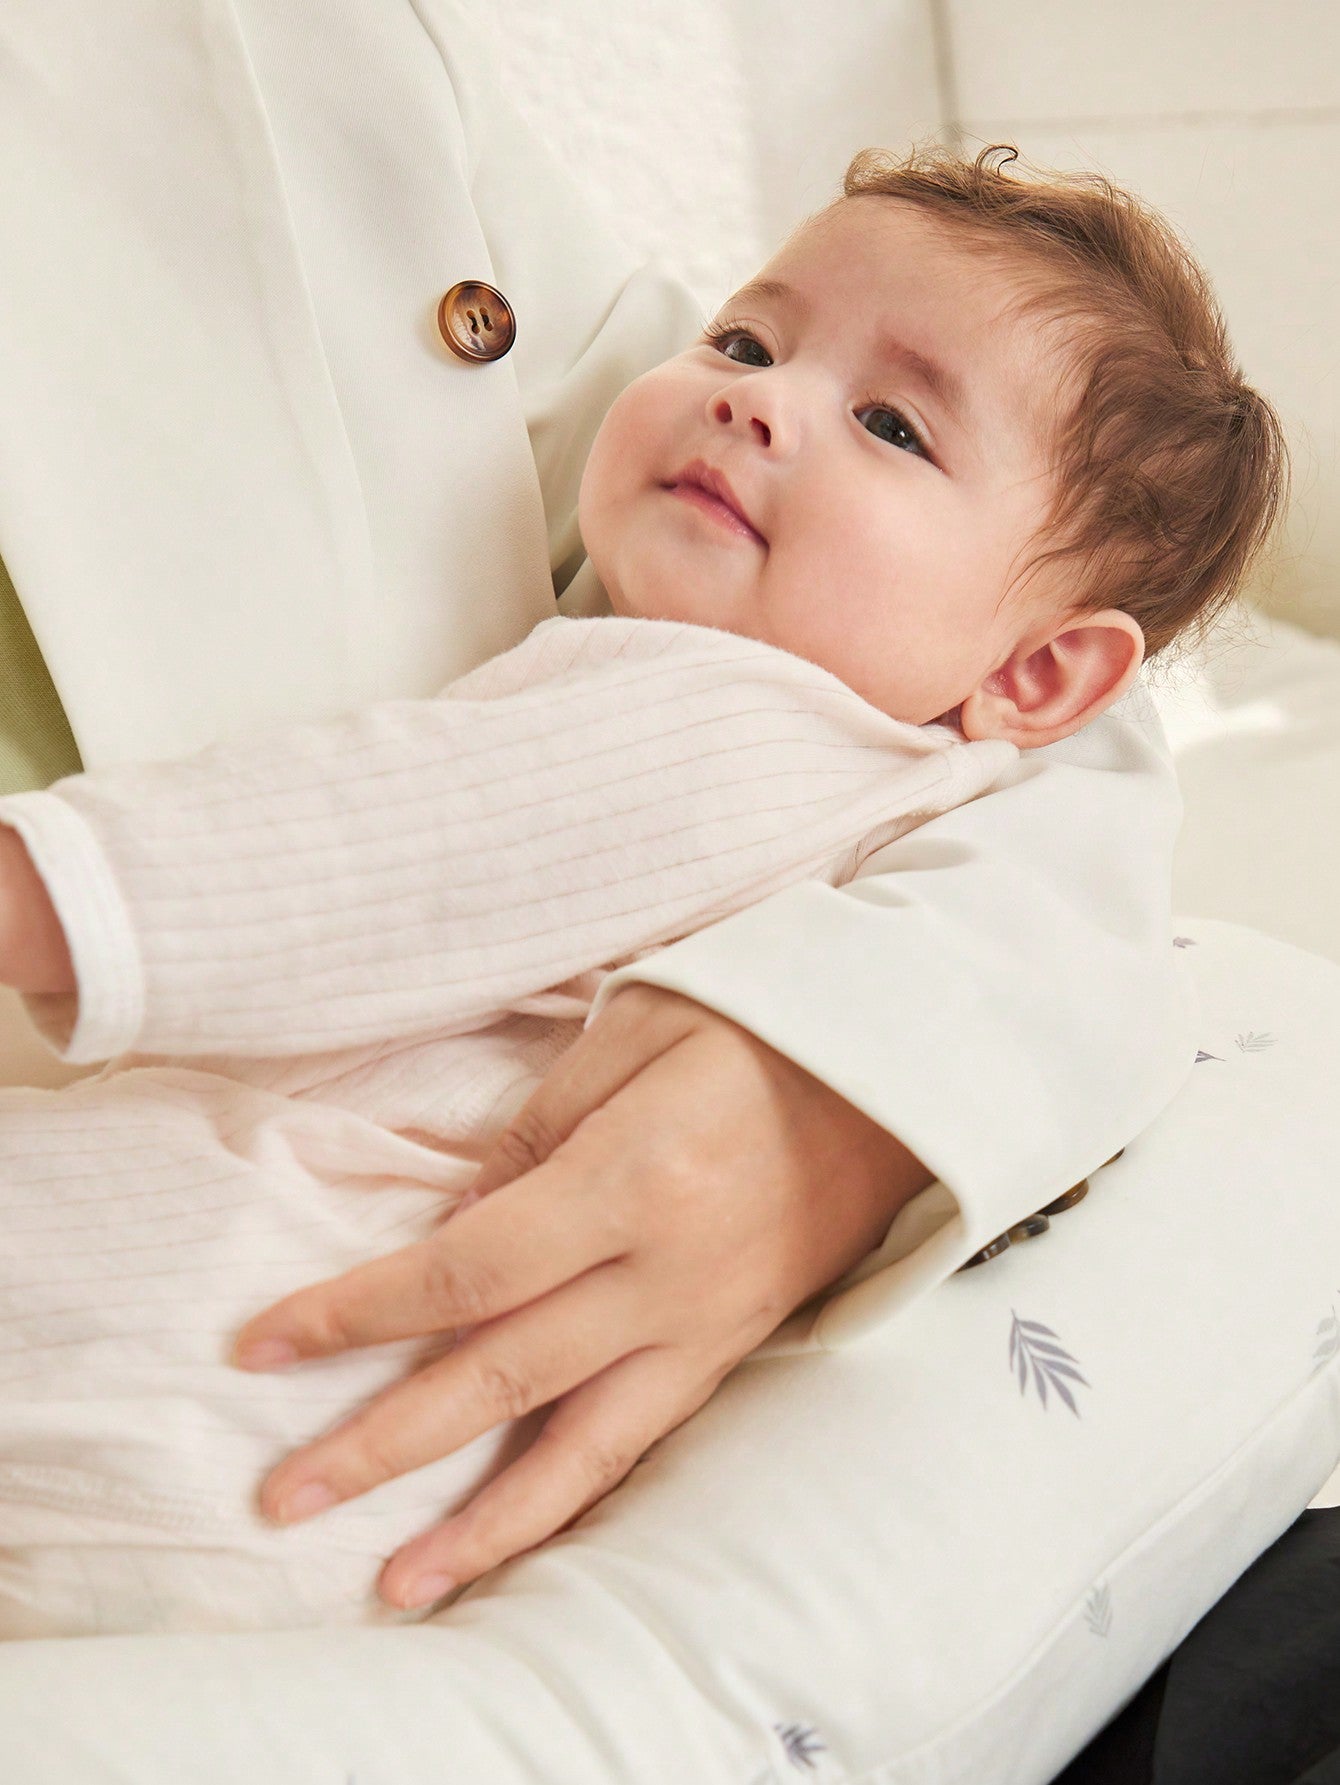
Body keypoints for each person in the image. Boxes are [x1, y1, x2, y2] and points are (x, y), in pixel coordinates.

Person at [0, 0, 1234, 1769]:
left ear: (1040, 675)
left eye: (892, 426)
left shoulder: (723, 722)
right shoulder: (845, 729)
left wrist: (39, 897)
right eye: (748, 335)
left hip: (208, 1369)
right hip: (302, 1466)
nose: (755, 396)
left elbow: (365, 844)